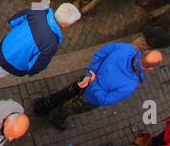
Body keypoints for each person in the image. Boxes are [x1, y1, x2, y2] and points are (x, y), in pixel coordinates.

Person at [0, 2, 80, 94]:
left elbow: (13, 21)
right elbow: (36, 66)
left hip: (6, 44)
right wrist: (27, 71)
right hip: (12, 62)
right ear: (65, 24)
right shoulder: (51, 43)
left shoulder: (38, 11)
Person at [33, 45, 163, 129]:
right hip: (90, 98)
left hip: (85, 80)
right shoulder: (129, 85)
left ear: (145, 51)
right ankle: (56, 117)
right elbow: (105, 100)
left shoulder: (126, 48)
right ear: (150, 68)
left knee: (67, 93)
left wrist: (91, 73)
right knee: (70, 107)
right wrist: (94, 83)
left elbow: (101, 53)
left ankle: (48, 105)